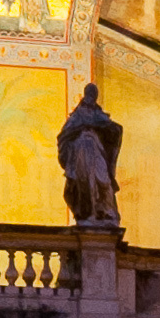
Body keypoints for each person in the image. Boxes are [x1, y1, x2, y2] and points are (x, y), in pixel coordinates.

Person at [57, 81, 124, 226]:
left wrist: (109, 128)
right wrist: (83, 128)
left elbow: (111, 129)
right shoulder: (77, 114)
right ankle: (89, 213)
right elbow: (64, 135)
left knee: (103, 179)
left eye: (94, 94)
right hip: (81, 149)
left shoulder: (98, 113)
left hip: (96, 149)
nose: (92, 96)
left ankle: (104, 211)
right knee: (84, 179)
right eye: (90, 93)